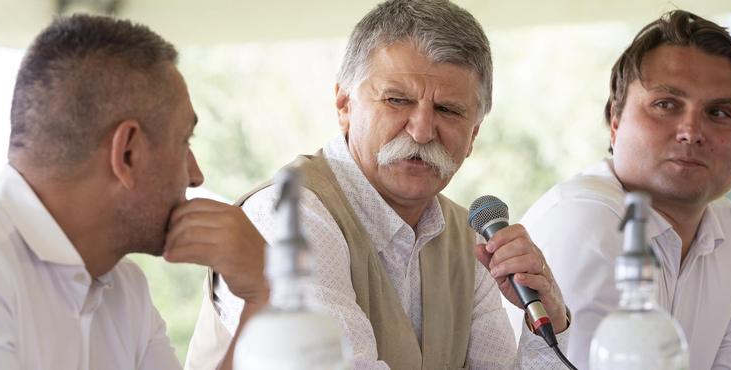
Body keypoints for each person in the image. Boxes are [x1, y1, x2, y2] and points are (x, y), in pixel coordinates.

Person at [187, 1, 573, 369]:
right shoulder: (288, 220)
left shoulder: (469, 241)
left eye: (448, 110)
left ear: (473, 136)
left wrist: (548, 325)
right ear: (344, 106)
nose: (422, 131)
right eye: (397, 100)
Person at [0, 14, 268, 370]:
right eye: (183, 141)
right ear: (127, 153)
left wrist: (264, 295)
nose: (196, 175)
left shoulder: (126, 288)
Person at [519, 10, 731, 370]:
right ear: (615, 122)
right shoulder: (587, 220)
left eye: (719, 113)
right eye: (666, 105)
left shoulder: (729, 229)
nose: (691, 131)